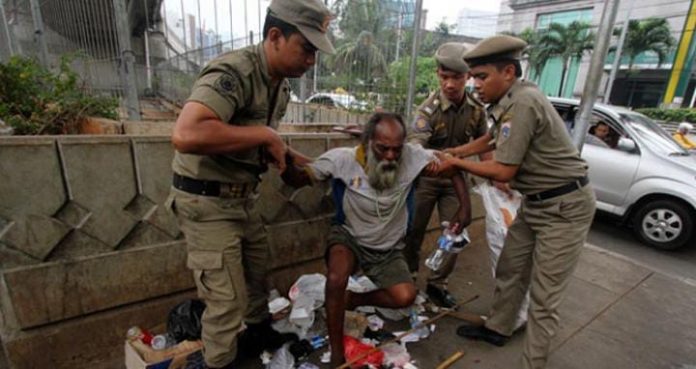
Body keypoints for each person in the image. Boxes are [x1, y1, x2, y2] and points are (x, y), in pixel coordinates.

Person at [166, 1, 334, 367]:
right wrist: (265, 134)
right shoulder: (235, 71)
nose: (312, 61)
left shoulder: (280, 86)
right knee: (225, 302)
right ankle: (217, 362)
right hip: (207, 203)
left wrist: (307, 164)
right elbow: (187, 132)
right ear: (275, 36)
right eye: (306, 49)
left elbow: (255, 140)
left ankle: (258, 335)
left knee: (258, 279)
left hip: (243, 200)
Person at [439, 35, 597, 369]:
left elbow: (503, 170)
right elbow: (491, 138)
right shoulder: (507, 99)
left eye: (481, 77)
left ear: (508, 71)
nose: (475, 84)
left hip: (565, 208)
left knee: (544, 298)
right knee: (511, 267)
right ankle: (498, 327)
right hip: (537, 204)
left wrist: (456, 163)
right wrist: (457, 151)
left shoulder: (523, 103)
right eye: (474, 77)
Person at [281, 112, 471, 367]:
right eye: (383, 149)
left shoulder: (413, 156)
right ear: (368, 141)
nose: (391, 156)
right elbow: (301, 178)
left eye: (396, 149)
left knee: (406, 296)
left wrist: (465, 207)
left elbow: (451, 166)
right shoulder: (343, 159)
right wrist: (284, 164)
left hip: (388, 246)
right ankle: (337, 352)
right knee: (336, 278)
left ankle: (353, 300)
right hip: (350, 236)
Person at [405, 42, 487, 308]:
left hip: (456, 184)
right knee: (412, 233)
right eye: (444, 77)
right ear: (438, 75)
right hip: (427, 180)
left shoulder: (476, 109)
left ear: (468, 77)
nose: (450, 84)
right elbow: (416, 144)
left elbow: (485, 144)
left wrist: (498, 179)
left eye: (457, 77)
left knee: (455, 232)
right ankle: (408, 278)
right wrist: (431, 159)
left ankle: (437, 284)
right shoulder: (428, 110)